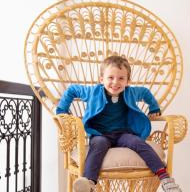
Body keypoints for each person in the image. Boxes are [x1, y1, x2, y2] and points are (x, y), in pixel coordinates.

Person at [56, 56, 182, 192]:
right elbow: (72, 90)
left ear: (128, 81)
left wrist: (154, 108)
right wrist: (62, 110)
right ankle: (89, 182)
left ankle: (165, 179)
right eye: (110, 77)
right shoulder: (93, 92)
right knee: (97, 145)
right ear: (101, 79)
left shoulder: (131, 92)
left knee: (138, 143)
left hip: (124, 133)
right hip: (100, 134)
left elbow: (145, 93)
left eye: (121, 78)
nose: (115, 82)